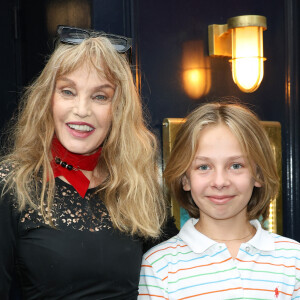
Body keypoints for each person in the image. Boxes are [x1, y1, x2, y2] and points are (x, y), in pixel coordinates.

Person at [0, 26, 177, 300]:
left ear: (118, 109)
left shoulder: (138, 185)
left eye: (100, 96)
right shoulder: (12, 183)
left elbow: (177, 271)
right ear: (48, 99)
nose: (82, 110)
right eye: (68, 92)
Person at [138, 102, 300, 299]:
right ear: (185, 179)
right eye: (204, 167)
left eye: (236, 165)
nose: (220, 182)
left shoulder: (293, 260)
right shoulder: (158, 267)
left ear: (258, 174)